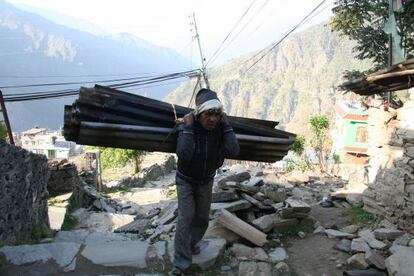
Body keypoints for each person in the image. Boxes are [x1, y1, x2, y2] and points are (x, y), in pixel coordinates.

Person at [172, 88, 240, 275]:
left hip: (206, 180)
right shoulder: (188, 127)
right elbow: (184, 155)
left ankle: (192, 243)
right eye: (208, 114)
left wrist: (226, 126)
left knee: (202, 217)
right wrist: (186, 127)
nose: (212, 119)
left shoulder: (220, 128)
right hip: (185, 180)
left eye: (216, 114)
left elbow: (233, 151)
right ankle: (181, 265)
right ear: (199, 113)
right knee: (186, 217)